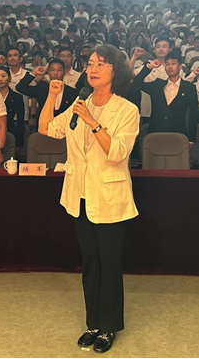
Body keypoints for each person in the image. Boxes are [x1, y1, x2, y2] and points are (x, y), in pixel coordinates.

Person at [38, 45, 140, 354]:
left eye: (101, 64)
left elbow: (117, 152)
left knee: (109, 264)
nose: (92, 69)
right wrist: (51, 96)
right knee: (91, 264)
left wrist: (92, 121)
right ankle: (93, 323)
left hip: (110, 197)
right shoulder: (78, 103)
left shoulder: (127, 110)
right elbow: (46, 128)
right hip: (80, 195)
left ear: (115, 71)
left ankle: (109, 326)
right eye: (90, 63)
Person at [133, 49, 198, 145]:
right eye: (167, 64)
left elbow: (193, 115)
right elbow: (137, 83)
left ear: (180, 66)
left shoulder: (189, 87)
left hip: (178, 134)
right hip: (155, 133)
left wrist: (191, 139)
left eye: (173, 63)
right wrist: (150, 67)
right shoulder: (157, 84)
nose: (170, 67)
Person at [0, 66, 25, 156]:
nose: (0, 79)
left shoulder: (17, 97)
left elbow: (20, 121)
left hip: (10, 131)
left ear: (9, 78)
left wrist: (19, 143)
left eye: (3, 76)